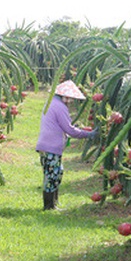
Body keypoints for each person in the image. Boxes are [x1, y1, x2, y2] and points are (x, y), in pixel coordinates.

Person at [36, 80, 97, 210]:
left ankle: (53, 203)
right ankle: (49, 206)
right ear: (63, 95)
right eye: (69, 98)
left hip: (46, 145)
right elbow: (69, 130)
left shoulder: (51, 103)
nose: (69, 101)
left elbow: (62, 126)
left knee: (55, 173)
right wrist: (89, 134)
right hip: (51, 146)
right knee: (52, 175)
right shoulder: (59, 106)